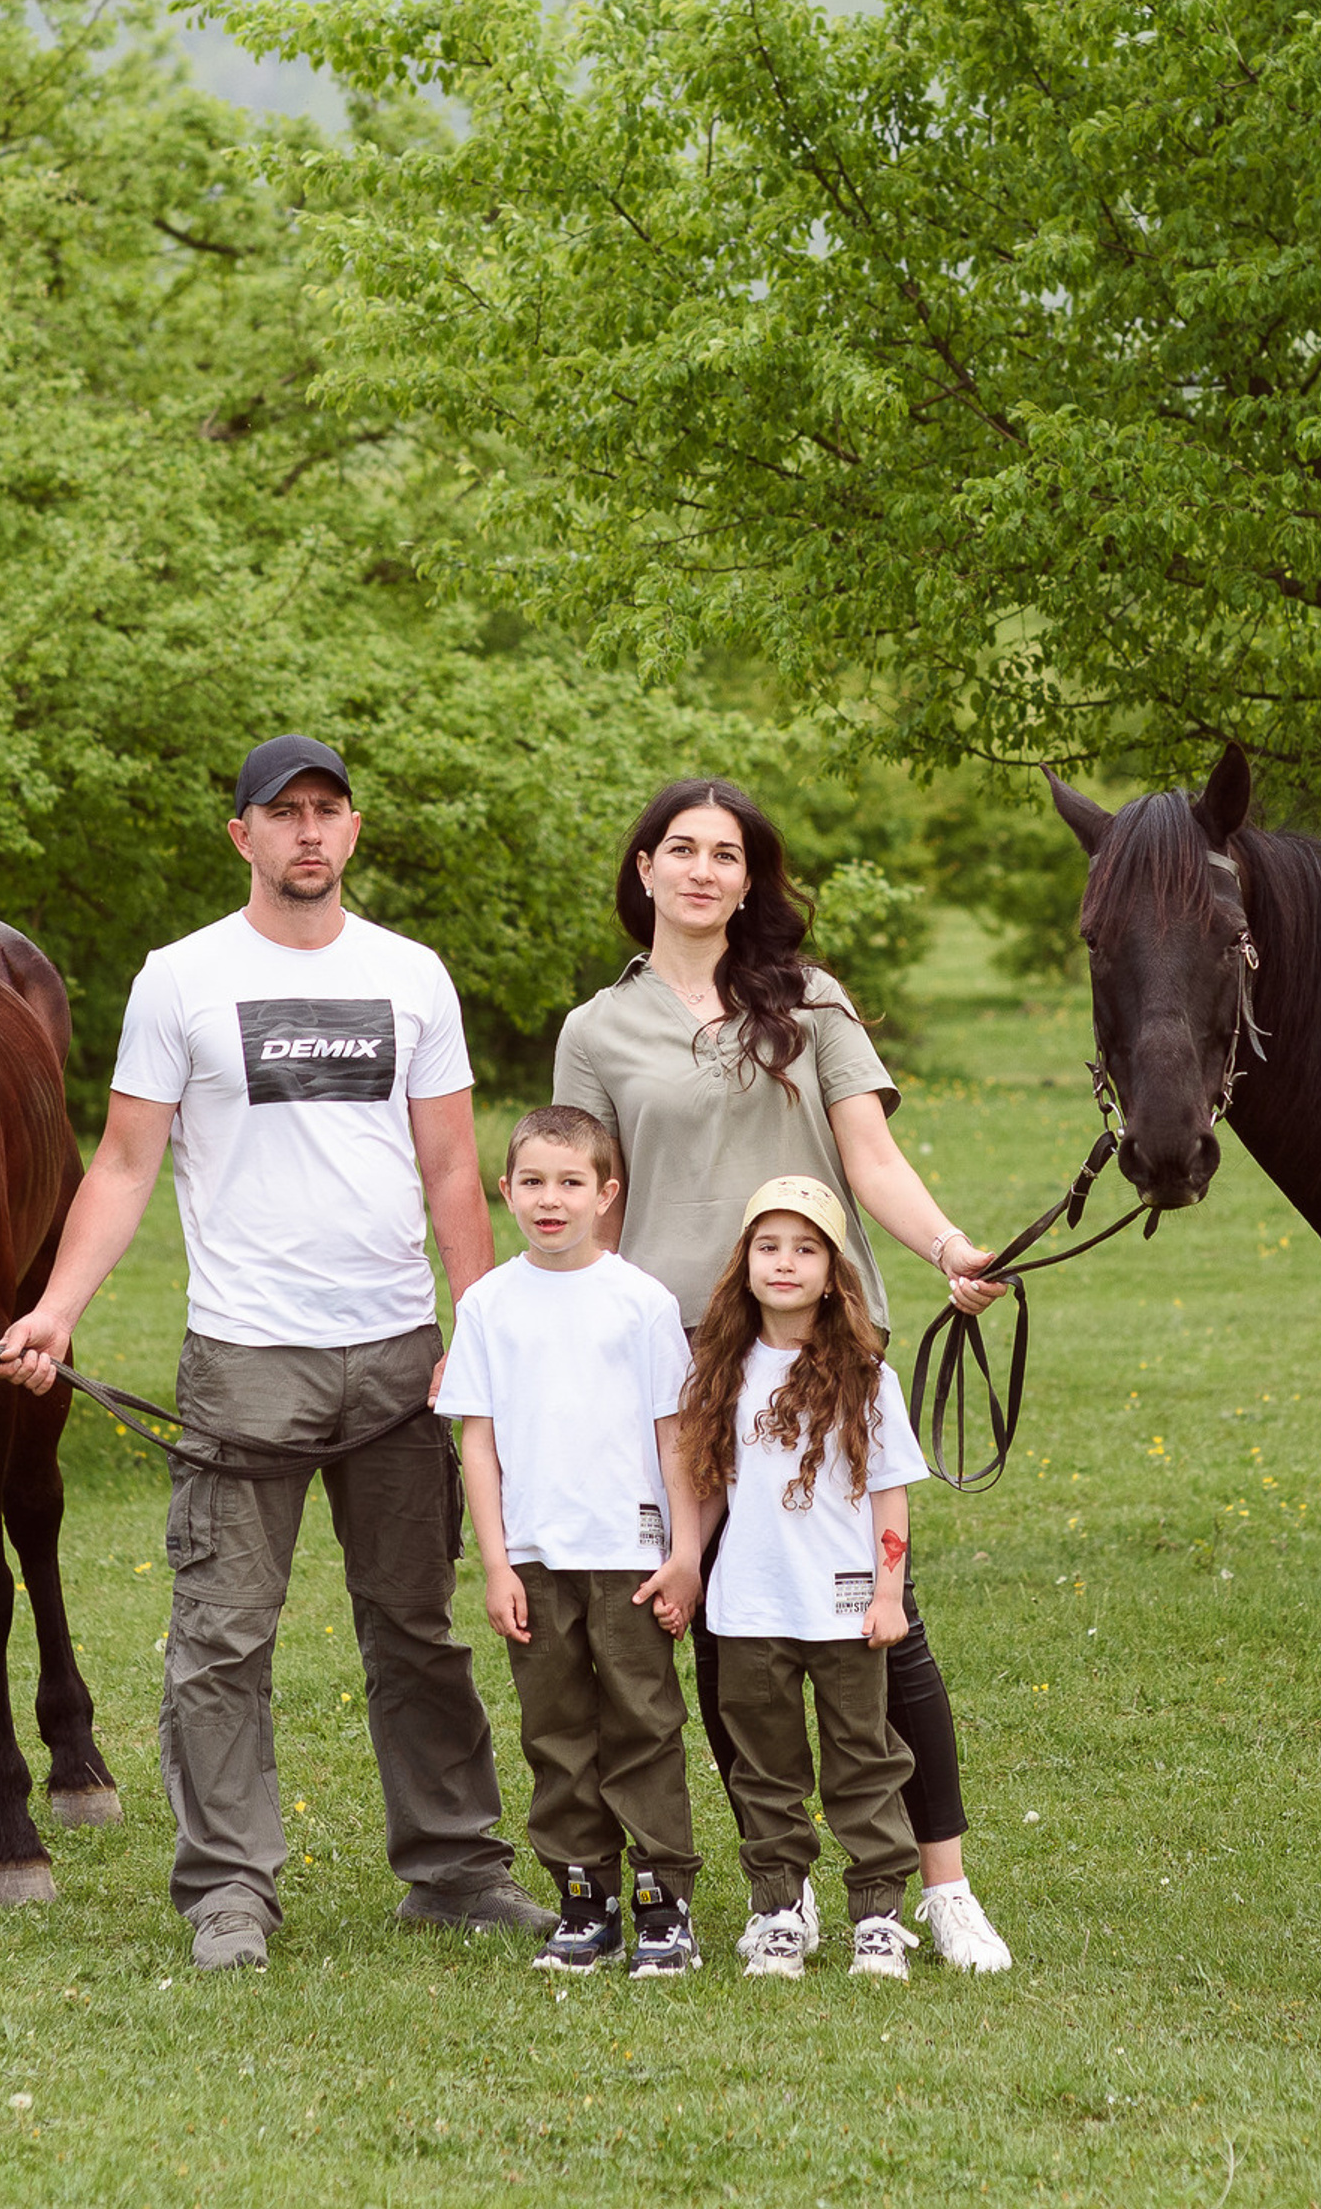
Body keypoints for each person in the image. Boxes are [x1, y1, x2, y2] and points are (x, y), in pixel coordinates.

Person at [0, 732, 555, 1971]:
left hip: (399, 1352)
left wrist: (481, 1329)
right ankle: (229, 1893)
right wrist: (57, 1308)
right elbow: (124, 1162)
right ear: (241, 833)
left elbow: (452, 1169)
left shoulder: (412, 974)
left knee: (415, 1624)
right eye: (284, 811)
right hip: (245, 1358)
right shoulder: (179, 978)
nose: (309, 830)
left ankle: (456, 1870)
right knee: (222, 1635)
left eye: (328, 810)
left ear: (352, 830)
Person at [554, 776, 1015, 1974]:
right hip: (682, 1366)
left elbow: (871, 1156)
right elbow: (589, 1205)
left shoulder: (809, 1002)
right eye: (681, 848)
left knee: (883, 1625)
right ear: (645, 868)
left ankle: (942, 1887)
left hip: (821, 1352)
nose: (702, 869)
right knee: (729, 1625)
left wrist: (951, 1249)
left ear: (748, 878)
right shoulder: (596, 1030)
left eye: (726, 853)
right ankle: (784, 1890)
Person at [439, 1102, 706, 1977]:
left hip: (630, 1557)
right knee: (555, 1731)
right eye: (533, 1182)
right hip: (536, 1560)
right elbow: (478, 1442)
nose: (550, 1200)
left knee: (643, 1724)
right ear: (505, 1191)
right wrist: (496, 1563)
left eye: (570, 1183)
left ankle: (663, 1904)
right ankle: (585, 1900)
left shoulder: (641, 1301)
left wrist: (684, 1552)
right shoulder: (488, 1304)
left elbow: (674, 1434)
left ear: (606, 1194)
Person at [679, 1178, 932, 1980]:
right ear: (744, 1263)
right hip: (748, 1608)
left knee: (865, 1761)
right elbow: (712, 1487)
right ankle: (780, 1912)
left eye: (805, 1249)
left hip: (845, 1610)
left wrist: (888, 1594)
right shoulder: (720, 1371)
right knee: (764, 1768)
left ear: (833, 1274)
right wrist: (686, 1565)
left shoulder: (867, 1377)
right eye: (768, 1246)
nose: (784, 1263)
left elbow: (889, 1492)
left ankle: (878, 1918)